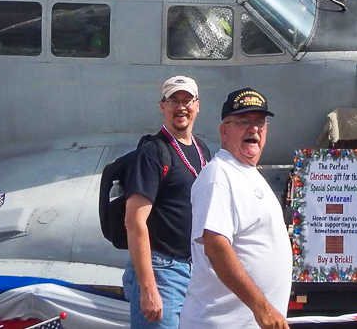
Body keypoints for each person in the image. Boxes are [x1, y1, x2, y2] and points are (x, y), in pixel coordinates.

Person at [179, 88, 292, 329]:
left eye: (259, 123)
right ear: (224, 131)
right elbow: (216, 245)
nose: (253, 129)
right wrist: (262, 308)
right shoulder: (219, 175)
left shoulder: (248, 174)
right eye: (243, 122)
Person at [123, 76, 209, 329]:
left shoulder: (202, 149)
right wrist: (149, 289)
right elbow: (134, 221)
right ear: (163, 106)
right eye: (173, 100)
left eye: (187, 100)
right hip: (162, 270)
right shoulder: (153, 151)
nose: (181, 107)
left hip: (192, 269)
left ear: (197, 105)